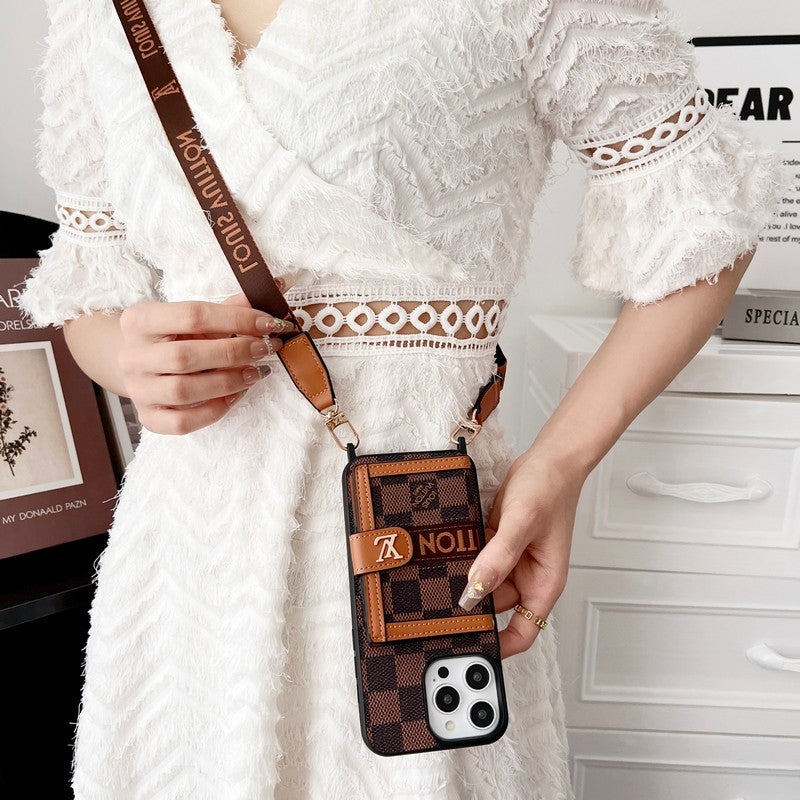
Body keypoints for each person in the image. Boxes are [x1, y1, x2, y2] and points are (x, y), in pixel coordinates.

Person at [18, 0, 785, 797]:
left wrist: (560, 465)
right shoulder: (92, 12)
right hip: (190, 548)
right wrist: (128, 358)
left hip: (427, 532)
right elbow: (92, 277)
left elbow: (707, 215)